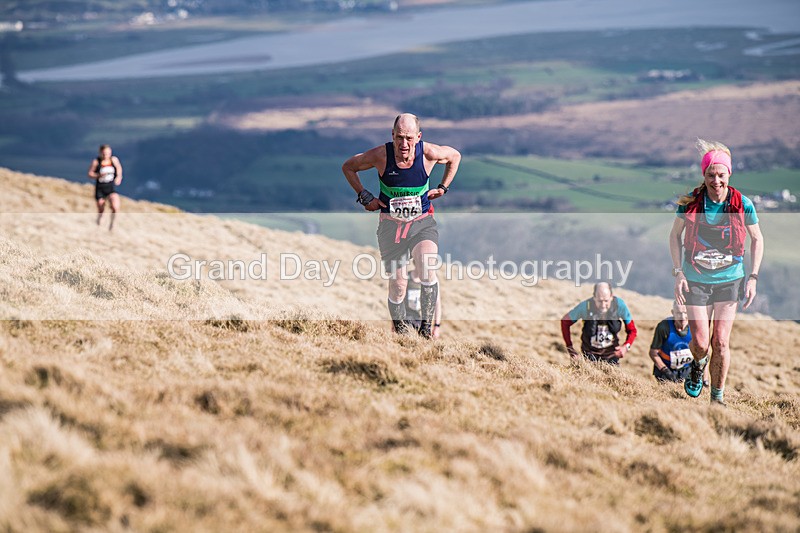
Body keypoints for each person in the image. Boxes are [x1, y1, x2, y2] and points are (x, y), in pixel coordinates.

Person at [342, 113, 460, 338]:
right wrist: (364, 196)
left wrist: (443, 187)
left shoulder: (429, 153)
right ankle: (402, 332)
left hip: (421, 223)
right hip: (391, 227)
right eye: (399, 137)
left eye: (409, 138)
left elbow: (455, 156)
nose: (404, 144)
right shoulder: (380, 155)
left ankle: (426, 332)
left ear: (418, 137)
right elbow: (348, 167)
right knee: (398, 285)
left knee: (426, 267)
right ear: (392, 135)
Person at [670, 139, 764, 406]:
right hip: (696, 279)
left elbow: (757, 239)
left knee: (720, 342)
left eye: (721, 174)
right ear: (704, 175)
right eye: (711, 175)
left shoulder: (743, 204)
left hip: (729, 280)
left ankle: (717, 398)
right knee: (701, 344)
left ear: (729, 174)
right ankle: (698, 364)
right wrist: (678, 273)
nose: (716, 180)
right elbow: (674, 236)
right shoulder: (690, 202)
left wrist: (753, 277)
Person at [560, 282, 637, 364]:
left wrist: (626, 347)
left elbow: (632, 330)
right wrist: (570, 348)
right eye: (600, 301)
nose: (603, 305)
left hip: (611, 356)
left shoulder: (619, 306)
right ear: (594, 297)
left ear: (611, 297)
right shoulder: (585, 307)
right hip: (589, 356)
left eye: (606, 301)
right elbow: (565, 322)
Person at [649, 301, 709, 384]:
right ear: (673, 313)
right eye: (678, 313)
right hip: (666, 370)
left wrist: (705, 380)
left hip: (687, 370)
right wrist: (665, 371)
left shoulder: (696, 327)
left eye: (685, 313)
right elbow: (653, 353)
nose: (682, 317)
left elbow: (703, 356)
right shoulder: (664, 327)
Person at [87, 144, 123, 230]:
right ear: (100, 153)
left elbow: (119, 169)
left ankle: (112, 225)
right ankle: (98, 224)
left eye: (108, 153)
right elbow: (90, 173)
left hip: (110, 187)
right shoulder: (96, 162)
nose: (106, 155)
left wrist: (118, 177)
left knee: (115, 206)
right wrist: (98, 175)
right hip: (100, 188)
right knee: (101, 208)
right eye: (104, 153)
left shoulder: (114, 160)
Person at [404, 267, 443, 339]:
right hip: (406, 321)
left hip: (423, 322)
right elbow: (399, 300)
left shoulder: (433, 280)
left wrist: (436, 326)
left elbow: (437, 303)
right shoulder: (406, 277)